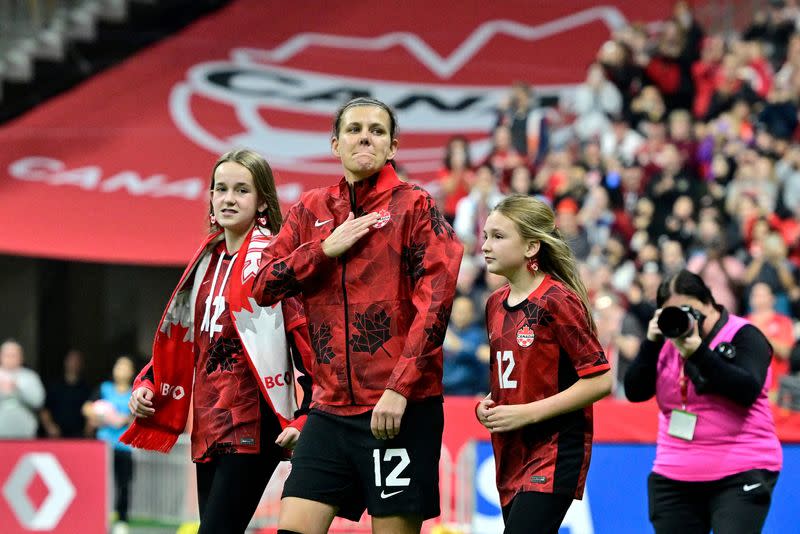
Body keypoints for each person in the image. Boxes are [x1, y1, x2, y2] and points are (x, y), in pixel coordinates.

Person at [251, 97, 463, 534]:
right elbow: (261, 285)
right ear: (335, 144)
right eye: (354, 129)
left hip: (399, 410)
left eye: (377, 130)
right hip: (328, 410)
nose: (364, 136)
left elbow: (436, 302)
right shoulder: (311, 209)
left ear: (392, 147)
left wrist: (400, 389)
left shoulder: (415, 206)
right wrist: (321, 252)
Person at [123, 149, 314, 534]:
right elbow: (182, 338)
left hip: (254, 427)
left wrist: (306, 414)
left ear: (262, 201)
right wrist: (147, 383)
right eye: (220, 188)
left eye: (242, 190)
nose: (228, 198)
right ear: (210, 197)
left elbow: (308, 345)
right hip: (208, 426)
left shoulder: (275, 262)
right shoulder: (205, 259)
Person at [475, 195, 612, 534]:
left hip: (553, 449)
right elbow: (511, 377)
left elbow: (600, 380)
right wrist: (488, 405)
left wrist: (526, 413)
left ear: (531, 247)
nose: (486, 246)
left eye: (498, 236)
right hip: (510, 451)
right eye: (485, 236)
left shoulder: (557, 300)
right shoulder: (494, 304)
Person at [624, 269, 782, 534]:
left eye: (689, 311)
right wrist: (651, 342)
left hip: (741, 468)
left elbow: (746, 390)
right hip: (674, 473)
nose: (684, 320)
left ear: (709, 303)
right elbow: (635, 391)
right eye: (671, 312)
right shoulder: (665, 340)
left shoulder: (744, 335)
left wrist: (697, 353)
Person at [84, 355, 136, 534]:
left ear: (131, 372)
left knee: (123, 484)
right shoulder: (104, 389)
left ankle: (121, 520)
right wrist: (102, 416)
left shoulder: (135, 392)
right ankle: (96, 518)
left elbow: (137, 417)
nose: (121, 370)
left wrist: (125, 420)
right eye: (118, 366)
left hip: (124, 447)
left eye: (125, 367)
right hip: (103, 448)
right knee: (100, 484)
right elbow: (87, 408)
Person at [40, 349, 92, 438]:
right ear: (65, 362)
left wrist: (87, 433)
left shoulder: (87, 388)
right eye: (71, 360)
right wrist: (50, 426)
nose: (74, 363)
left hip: (78, 437)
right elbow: (44, 409)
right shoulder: (54, 386)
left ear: (82, 364)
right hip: (56, 435)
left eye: (77, 361)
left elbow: (90, 412)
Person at [0, 339, 45, 439]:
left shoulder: (30, 377)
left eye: (14, 355)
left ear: (21, 357)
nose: (10, 358)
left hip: (25, 434)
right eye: (7, 355)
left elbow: (38, 402)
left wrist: (17, 388)